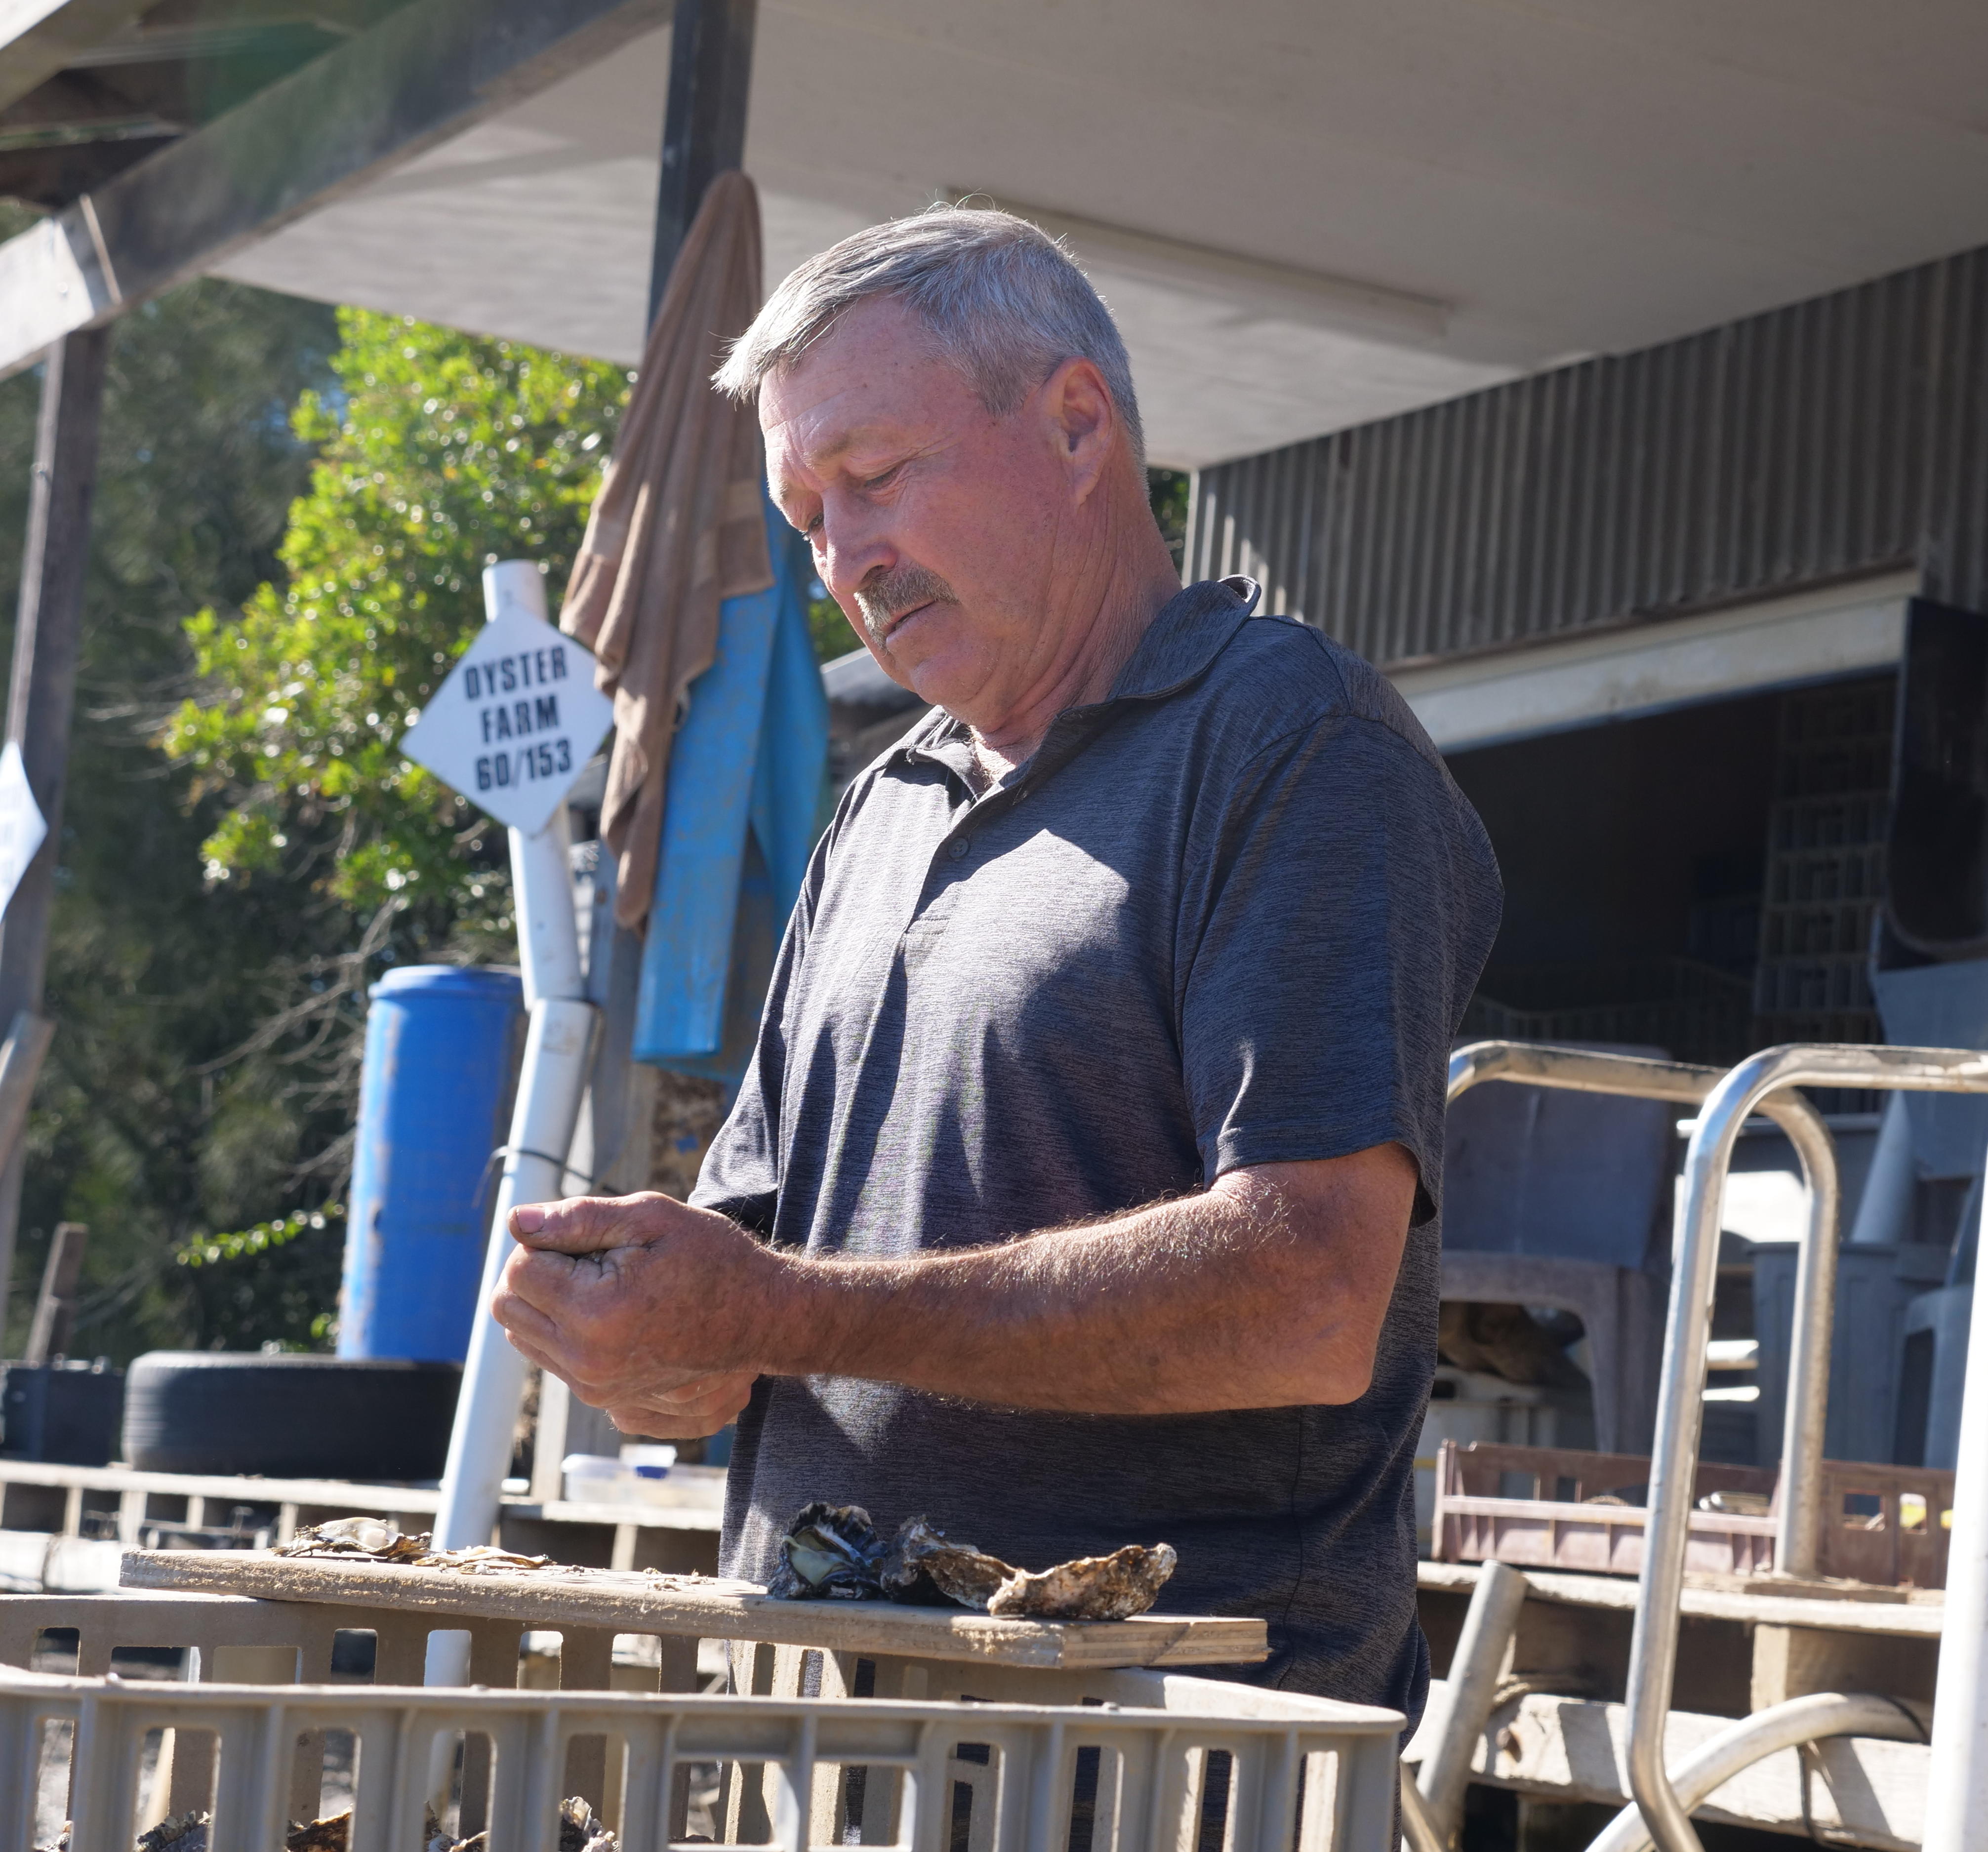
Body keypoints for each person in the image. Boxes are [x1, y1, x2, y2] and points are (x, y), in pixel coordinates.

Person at [489, 204, 1501, 1716]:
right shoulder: (879, 808)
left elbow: (1305, 1295)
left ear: (1078, 425)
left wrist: (778, 1313)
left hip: (1165, 1761)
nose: (844, 556)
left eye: (876, 475)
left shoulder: (1293, 743)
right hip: (825, 1739)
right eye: (807, 514)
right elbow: (749, 1289)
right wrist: (643, 1338)